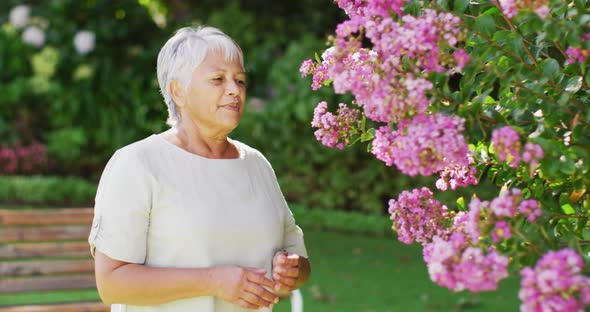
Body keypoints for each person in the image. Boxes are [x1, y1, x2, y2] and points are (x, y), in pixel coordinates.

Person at [88, 26, 310, 311]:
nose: (234, 90)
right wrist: (212, 281)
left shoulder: (257, 165)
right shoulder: (138, 164)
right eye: (218, 79)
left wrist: (291, 271)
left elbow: (299, 261)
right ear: (178, 91)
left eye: (240, 81)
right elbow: (112, 284)